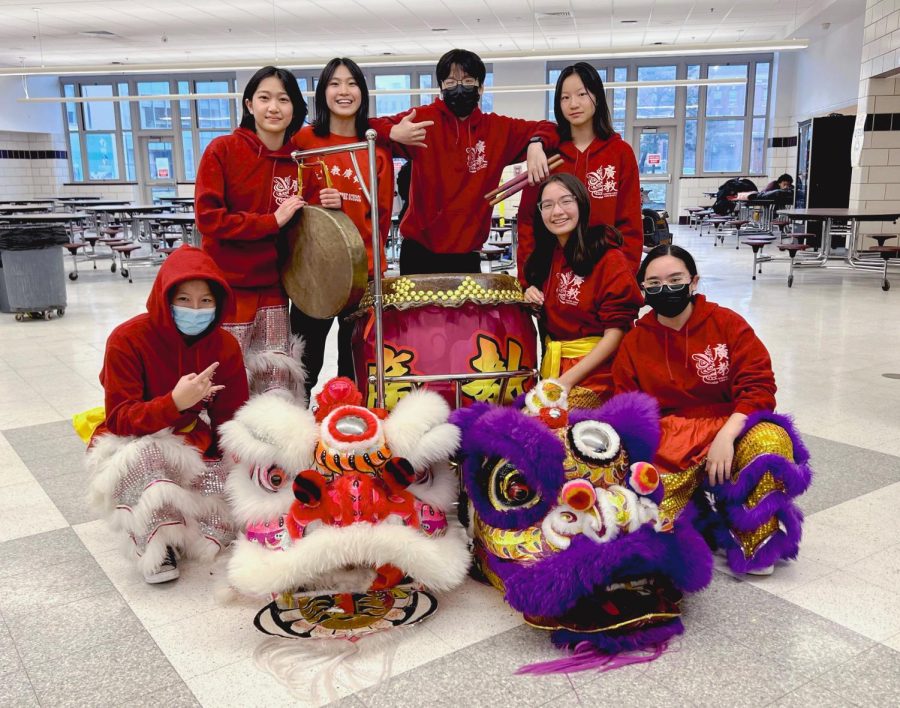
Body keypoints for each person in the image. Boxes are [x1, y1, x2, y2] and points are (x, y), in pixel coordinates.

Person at [612, 245, 812, 576]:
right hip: (669, 438)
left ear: (693, 282)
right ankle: (698, 517)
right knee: (649, 532)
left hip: (730, 426)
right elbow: (627, 404)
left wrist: (727, 434)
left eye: (675, 279)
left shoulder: (727, 324)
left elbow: (759, 386)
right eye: (655, 284)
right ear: (644, 290)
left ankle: (752, 538)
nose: (667, 290)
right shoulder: (635, 342)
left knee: (770, 438)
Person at [85, 245, 250, 584]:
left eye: (206, 301)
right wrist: (173, 402)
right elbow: (120, 418)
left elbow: (230, 416)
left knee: (236, 483)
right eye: (184, 300)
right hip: (132, 439)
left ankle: (191, 527)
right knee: (144, 459)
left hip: (190, 438)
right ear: (165, 298)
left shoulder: (223, 346)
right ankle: (158, 547)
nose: (195, 309)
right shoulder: (127, 339)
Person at [369, 48, 559, 275]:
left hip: (468, 255)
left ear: (480, 87)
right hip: (419, 252)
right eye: (450, 82)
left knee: (469, 312)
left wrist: (537, 143)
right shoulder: (422, 120)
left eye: (467, 81)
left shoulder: (498, 130)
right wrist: (392, 132)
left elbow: (550, 128)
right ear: (441, 88)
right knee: (418, 312)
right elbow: (368, 125)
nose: (459, 88)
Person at [195, 65, 320, 401]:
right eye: (264, 98)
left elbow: (312, 227)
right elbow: (209, 218)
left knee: (276, 380)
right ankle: (224, 451)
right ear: (249, 104)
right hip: (227, 287)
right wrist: (270, 222)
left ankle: (273, 452)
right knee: (225, 379)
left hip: (275, 290)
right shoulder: (222, 150)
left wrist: (328, 201)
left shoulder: (300, 163)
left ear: (295, 107)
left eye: (283, 99)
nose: (273, 107)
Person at [290, 57, 394, 400]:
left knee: (356, 364)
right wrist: (316, 203)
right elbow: (288, 197)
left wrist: (378, 270)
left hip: (361, 275)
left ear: (362, 92)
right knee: (303, 363)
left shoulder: (376, 152)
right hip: (313, 272)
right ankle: (293, 438)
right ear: (323, 92)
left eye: (352, 83)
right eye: (335, 83)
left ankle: (350, 435)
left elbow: (379, 219)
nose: (343, 91)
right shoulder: (303, 141)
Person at [523, 173, 642, 407]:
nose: (557, 212)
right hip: (555, 366)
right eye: (547, 205)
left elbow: (616, 334)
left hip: (600, 372)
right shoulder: (546, 257)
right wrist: (531, 295)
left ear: (582, 203)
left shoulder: (609, 258)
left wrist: (565, 383)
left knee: (552, 427)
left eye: (566, 201)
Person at [517, 62, 643, 282]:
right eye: (565, 97)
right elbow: (528, 221)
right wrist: (529, 281)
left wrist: (622, 277)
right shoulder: (548, 155)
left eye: (582, 94)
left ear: (597, 97)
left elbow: (630, 225)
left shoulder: (620, 153)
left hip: (605, 273)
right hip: (554, 277)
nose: (573, 104)